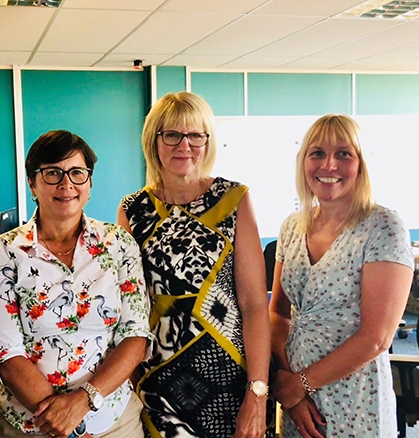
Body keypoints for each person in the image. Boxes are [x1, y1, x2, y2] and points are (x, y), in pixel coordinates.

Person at [117, 92, 272, 438]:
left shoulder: (234, 200)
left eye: (195, 135)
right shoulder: (133, 210)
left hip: (228, 379)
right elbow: (128, 310)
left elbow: (253, 304)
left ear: (208, 141)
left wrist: (257, 392)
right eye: (171, 134)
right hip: (155, 382)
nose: (184, 145)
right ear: (154, 140)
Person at [0, 130, 153, 437]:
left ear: (89, 184)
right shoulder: (1, 252)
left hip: (111, 422)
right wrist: (60, 419)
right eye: (52, 173)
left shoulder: (118, 244)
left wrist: (83, 402)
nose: (66, 184)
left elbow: (136, 334)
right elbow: (5, 350)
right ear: (32, 184)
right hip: (28, 424)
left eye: (77, 173)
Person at [268, 114, 414, 437]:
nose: (329, 165)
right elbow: (278, 313)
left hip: (356, 401)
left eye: (344, 154)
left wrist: (301, 383)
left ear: (361, 163)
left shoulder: (383, 226)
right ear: (303, 162)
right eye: (317, 153)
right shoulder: (292, 227)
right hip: (298, 402)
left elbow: (376, 337)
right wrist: (292, 390)